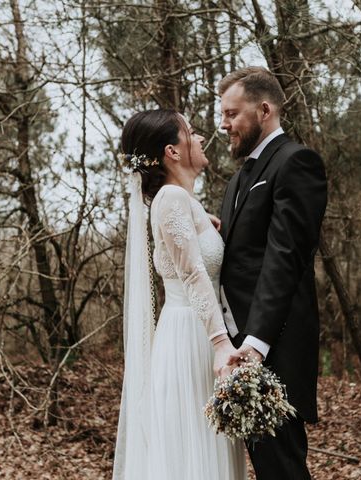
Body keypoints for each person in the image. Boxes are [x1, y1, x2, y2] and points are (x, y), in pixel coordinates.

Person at [111, 109, 247, 480]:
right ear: (172, 151)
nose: (201, 138)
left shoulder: (179, 200)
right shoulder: (171, 198)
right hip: (193, 337)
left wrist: (210, 228)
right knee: (195, 454)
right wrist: (221, 343)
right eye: (192, 133)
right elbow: (192, 273)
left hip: (193, 329)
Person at [218, 67, 328, 480]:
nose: (224, 123)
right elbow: (240, 259)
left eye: (232, 114)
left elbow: (285, 257)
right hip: (240, 347)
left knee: (283, 469)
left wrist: (256, 345)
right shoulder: (236, 181)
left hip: (272, 347)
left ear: (264, 109)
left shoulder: (296, 162)